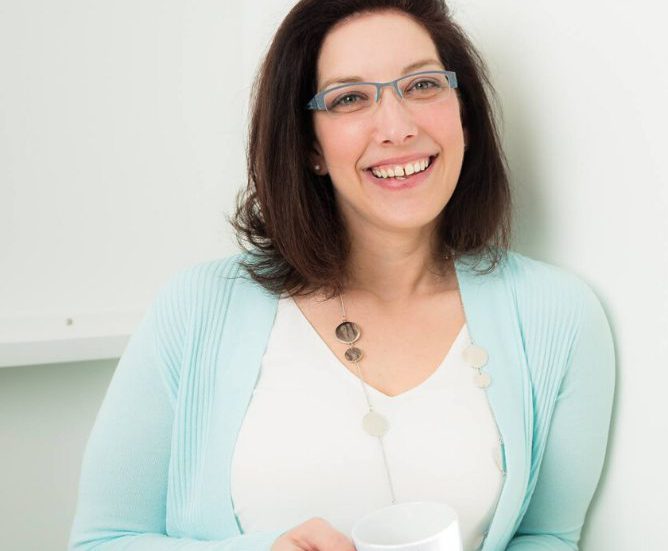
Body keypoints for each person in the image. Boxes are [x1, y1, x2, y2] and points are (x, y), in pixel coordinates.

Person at [67, 1, 616, 550]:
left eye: (423, 85)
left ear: (463, 116)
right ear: (310, 146)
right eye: (349, 98)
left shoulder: (558, 315)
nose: (398, 128)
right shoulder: (195, 308)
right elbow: (102, 541)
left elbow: (546, 536)